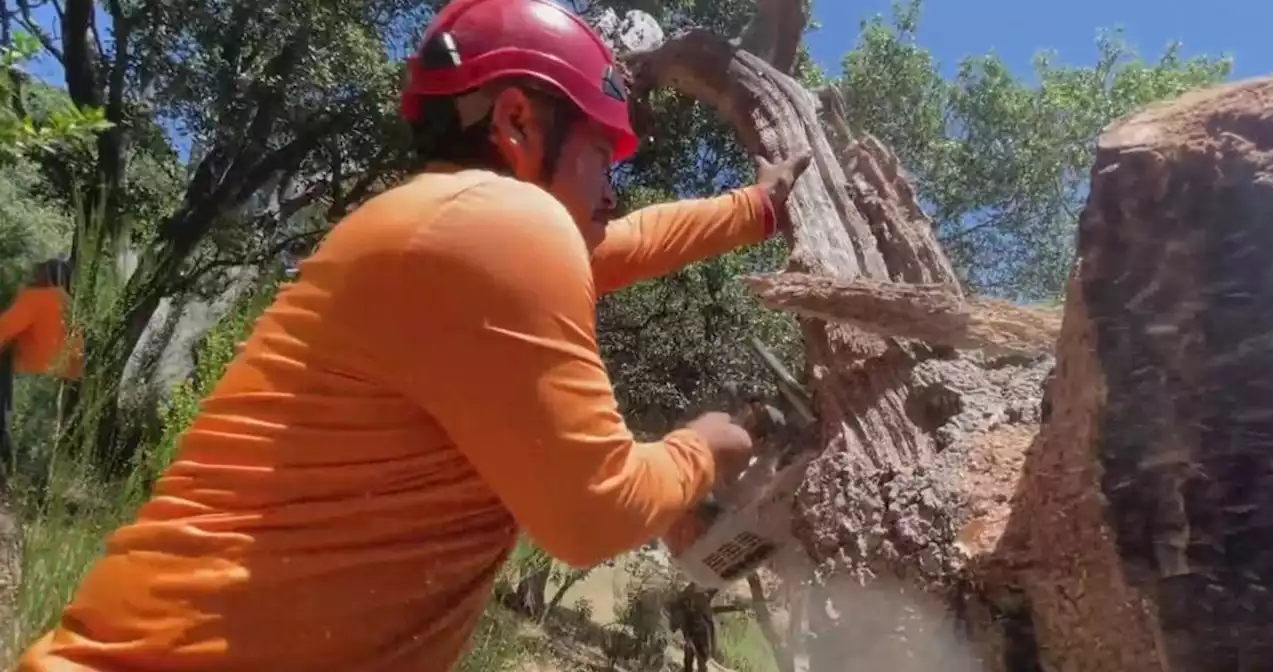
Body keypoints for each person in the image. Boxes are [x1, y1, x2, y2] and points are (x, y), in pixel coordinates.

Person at [17, 0, 811, 669]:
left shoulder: (446, 225)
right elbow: (591, 517)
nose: (613, 188)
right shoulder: (501, 223)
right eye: (604, 154)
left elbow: (627, 244)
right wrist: (704, 446)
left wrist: (762, 208)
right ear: (517, 121)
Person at [0, 258, 79, 475]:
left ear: (48, 275)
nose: (34, 276)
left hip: (29, 374)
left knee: (20, 428)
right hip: (55, 377)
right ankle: (35, 486)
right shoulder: (69, 303)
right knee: (43, 434)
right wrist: (73, 374)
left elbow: (5, 328)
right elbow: (77, 346)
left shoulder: (35, 299)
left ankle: (16, 483)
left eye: (39, 272)